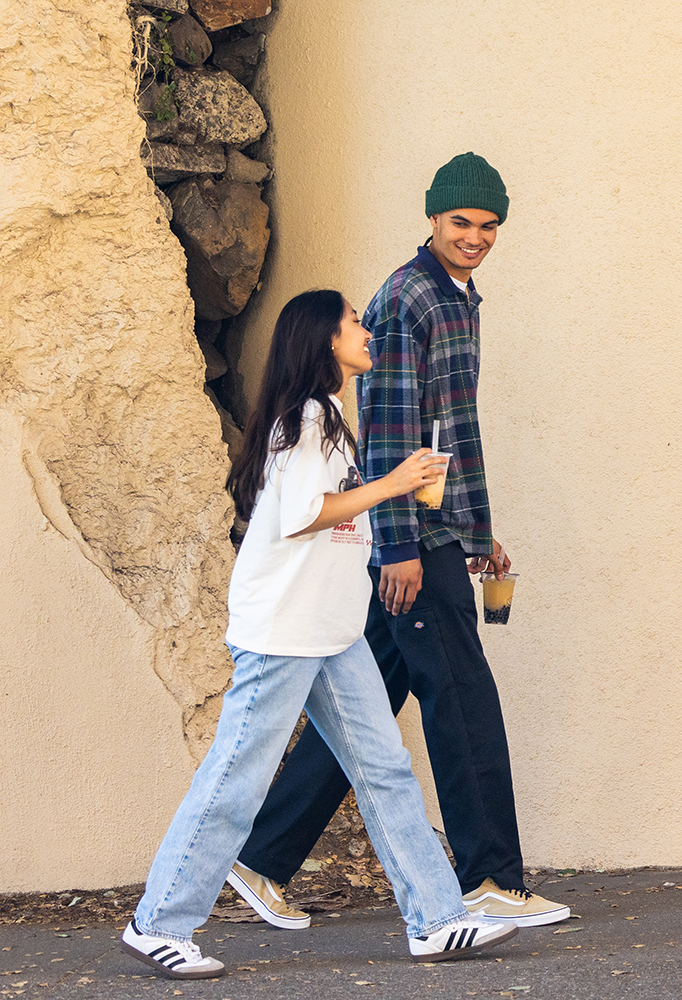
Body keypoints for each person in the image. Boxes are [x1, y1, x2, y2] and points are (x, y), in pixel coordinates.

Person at [120, 290, 519, 981]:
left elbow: (334, 527)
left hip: (333, 634)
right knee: (235, 777)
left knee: (385, 770)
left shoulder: (328, 416)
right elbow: (304, 514)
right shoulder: (306, 419)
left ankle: (437, 919)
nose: (366, 330)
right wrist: (395, 483)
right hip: (283, 631)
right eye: (355, 322)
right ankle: (158, 922)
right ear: (325, 340)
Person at [229, 154, 569, 929]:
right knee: (462, 699)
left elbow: (453, 430)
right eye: (462, 223)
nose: (476, 237)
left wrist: (478, 532)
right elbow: (388, 431)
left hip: (431, 533)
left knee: (366, 706)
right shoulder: (408, 298)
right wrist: (404, 545)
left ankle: (259, 855)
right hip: (411, 541)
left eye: (489, 226)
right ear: (433, 219)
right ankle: (489, 881)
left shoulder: (459, 297)